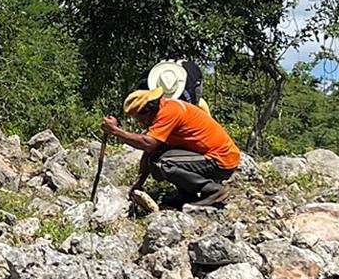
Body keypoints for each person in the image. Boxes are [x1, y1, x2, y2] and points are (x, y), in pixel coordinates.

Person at [102, 87, 241, 209]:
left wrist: (115, 131)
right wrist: (139, 183)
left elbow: (148, 143)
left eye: (141, 120)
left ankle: (213, 191)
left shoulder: (169, 113)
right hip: (210, 157)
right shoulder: (162, 112)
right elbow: (150, 151)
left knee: (163, 163)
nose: (141, 124)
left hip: (221, 161)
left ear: (148, 111)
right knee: (158, 157)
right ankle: (187, 195)